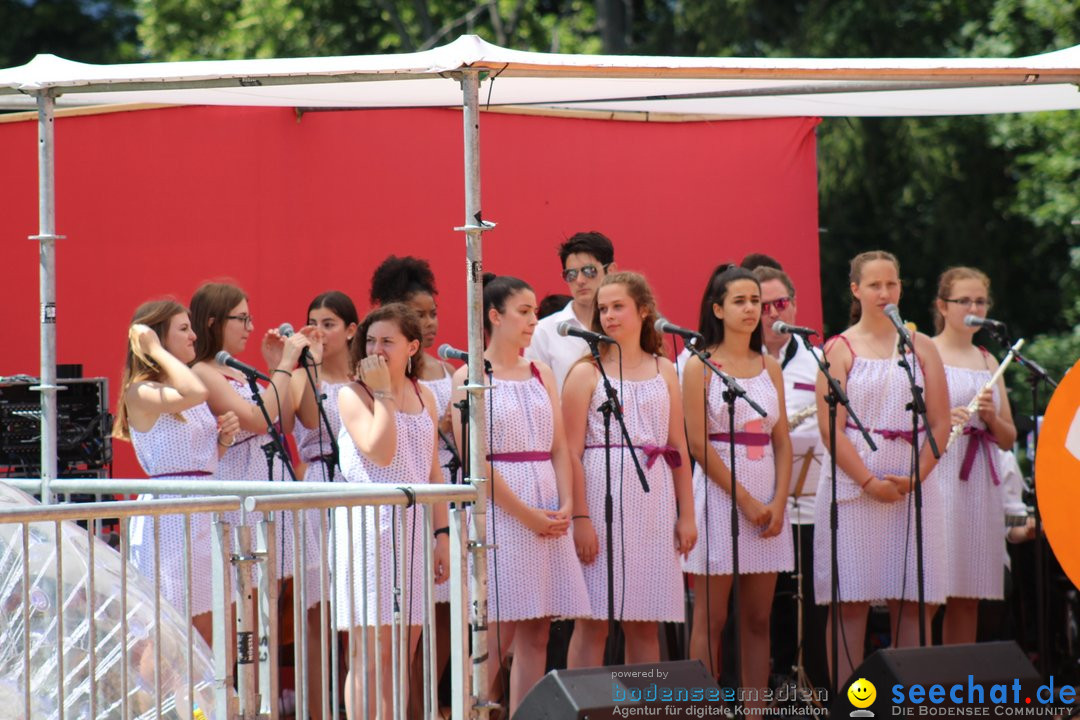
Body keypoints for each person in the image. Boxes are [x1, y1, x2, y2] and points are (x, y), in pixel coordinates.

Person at [449, 274, 589, 715]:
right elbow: (476, 460)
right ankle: (466, 710)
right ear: (494, 316)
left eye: (534, 311)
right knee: (497, 627)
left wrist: (565, 504)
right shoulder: (469, 376)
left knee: (538, 630)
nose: (534, 320)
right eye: (524, 311)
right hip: (502, 512)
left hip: (548, 504)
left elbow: (560, 447)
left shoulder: (541, 371)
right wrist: (527, 514)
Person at [812, 251, 951, 685]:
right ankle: (853, 707)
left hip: (913, 485)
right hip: (855, 490)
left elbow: (941, 419)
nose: (885, 293)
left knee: (912, 599)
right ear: (855, 290)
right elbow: (829, 426)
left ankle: (908, 705)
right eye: (874, 285)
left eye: (892, 284)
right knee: (851, 602)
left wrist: (916, 475)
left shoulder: (921, 345)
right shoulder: (839, 348)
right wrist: (869, 481)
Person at [563, 271, 696, 667]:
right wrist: (581, 517)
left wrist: (686, 514)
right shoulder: (585, 372)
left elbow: (678, 448)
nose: (608, 316)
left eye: (618, 306)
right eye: (602, 309)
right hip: (600, 502)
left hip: (653, 504)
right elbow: (570, 452)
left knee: (644, 623)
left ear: (644, 311)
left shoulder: (664, 369)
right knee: (593, 623)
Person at [680, 264, 794, 698]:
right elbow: (696, 443)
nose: (751, 310)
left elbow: (781, 440)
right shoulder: (700, 365)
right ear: (718, 308)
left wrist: (778, 502)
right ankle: (705, 708)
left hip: (768, 498)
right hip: (721, 497)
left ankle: (754, 709)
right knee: (711, 619)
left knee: (758, 619)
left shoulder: (770, 366)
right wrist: (745, 500)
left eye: (756, 302)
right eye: (740, 301)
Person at [333, 303, 450, 720]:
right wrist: (382, 392)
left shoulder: (426, 394)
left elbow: (433, 473)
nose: (376, 348)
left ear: (412, 346)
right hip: (369, 528)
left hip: (415, 529)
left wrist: (442, 536)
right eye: (370, 340)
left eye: (387, 341)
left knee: (403, 650)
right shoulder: (351, 394)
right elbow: (381, 453)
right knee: (370, 652)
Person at [115, 300, 239, 644]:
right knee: (170, 632)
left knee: (214, 627)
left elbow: (197, 460)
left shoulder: (179, 389)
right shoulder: (141, 390)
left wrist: (223, 442)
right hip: (171, 516)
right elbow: (196, 390)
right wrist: (153, 349)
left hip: (205, 507)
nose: (194, 336)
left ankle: (208, 699)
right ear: (157, 339)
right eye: (183, 329)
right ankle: (164, 700)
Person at [751, 264, 829, 687]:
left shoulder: (819, 360)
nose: (771, 313)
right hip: (757, 501)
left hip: (807, 503)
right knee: (761, 610)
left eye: (780, 303)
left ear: (794, 306)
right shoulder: (738, 363)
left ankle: (807, 687)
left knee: (809, 605)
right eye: (761, 306)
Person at [930, 267, 1016, 645]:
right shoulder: (924, 352)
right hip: (939, 471)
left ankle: (956, 694)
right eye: (964, 300)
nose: (974, 307)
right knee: (931, 590)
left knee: (968, 593)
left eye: (980, 301)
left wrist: (991, 417)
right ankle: (918, 690)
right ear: (943, 306)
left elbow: (1009, 438)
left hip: (979, 476)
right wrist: (941, 420)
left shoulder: (987, 360)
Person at [289, 290, 359, 720]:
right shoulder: (302, 376)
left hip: (359, 490)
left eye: (330, 323)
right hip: (319, 486)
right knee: (320, 614)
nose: (320, 330)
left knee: (358, 616)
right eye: (313, 321)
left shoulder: (366, 375)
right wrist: (310, 363)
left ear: (352, 330)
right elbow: (313, 421)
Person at [525, 232, 616, 392]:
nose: (580, 280)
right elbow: (534, 394)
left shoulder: (623, 324)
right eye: (571, 274)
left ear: (611, 271)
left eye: (589, 271)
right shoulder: (545, 331)